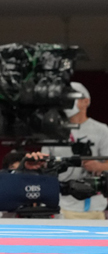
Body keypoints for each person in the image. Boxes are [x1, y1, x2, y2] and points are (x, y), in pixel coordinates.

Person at [43, 82, 108, 219]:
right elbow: (43, 163)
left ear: (86, 102)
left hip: (95, 207)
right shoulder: (53, 132)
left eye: (72, 98)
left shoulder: (102, 130)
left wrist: (99, 166)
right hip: (62, 205)